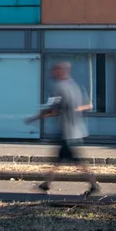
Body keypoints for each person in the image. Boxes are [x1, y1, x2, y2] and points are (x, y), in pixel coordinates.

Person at [32, 61, 100, 195]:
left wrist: (37, 117)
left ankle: (93, 184)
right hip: (76, 130)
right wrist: (74, 109)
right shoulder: (75, 85)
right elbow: (88, 105)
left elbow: (53, 110)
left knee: (76, 161)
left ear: (61, 71)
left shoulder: (58, 87)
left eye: (55, 69)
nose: (53, 72)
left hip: (68, 131)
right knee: (61, 159)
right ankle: (46, 184)